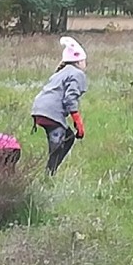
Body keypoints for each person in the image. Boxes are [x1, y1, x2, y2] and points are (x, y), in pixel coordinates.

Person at [31, 36, 88, 175]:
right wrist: (78, 122)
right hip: (51, 113)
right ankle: (49, 175)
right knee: (58, 146)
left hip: (39, 110)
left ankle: (50, 172)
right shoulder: (77, 73)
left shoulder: (61, 72)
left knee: (68, 138)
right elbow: (70, 99)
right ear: (79, 61)